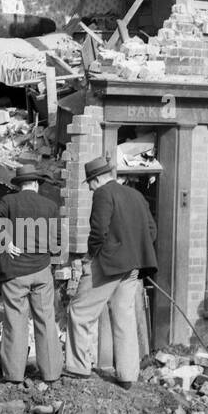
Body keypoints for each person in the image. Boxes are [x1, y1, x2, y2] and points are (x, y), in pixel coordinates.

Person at [64, 154, 157, 388]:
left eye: (90, 185)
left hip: (107, 264)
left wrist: (90, 256)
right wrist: (133, 250)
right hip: (132, 266)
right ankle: (127, 376)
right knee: (124, 316)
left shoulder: (103, 194)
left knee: (79, 311)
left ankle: (78, 368)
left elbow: (98, 231)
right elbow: (151, 230)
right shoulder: (135, 195)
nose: (91, 189)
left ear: (95, 180)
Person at [0, 162, 63, 385]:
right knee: (46, 320)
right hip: (42, 271)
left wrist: (5, 241)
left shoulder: (10, 201)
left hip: (15, 272)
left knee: (16, 322)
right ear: (37, 183)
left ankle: (14, 376)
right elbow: (57, 241)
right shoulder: (50, 205)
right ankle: (51, 374)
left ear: (20, 185)